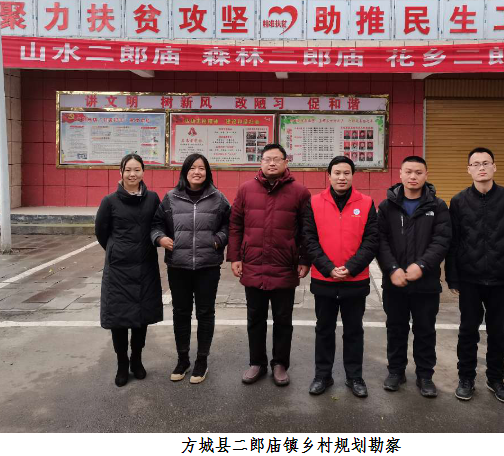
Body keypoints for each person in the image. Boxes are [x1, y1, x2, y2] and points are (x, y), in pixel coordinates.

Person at [446, 147, 504, 404]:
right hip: (469, 279)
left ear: (494, 167)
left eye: (486, 163)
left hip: (499, 278)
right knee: (467, 331)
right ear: (468, 169)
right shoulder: (458, 201)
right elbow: (453, 243)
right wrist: (452, 277)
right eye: (476, 164)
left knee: (498, 332)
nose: (481, 167)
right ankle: (466, 378)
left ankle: (496, 379)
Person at [227, 143, 311, 386]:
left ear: (286, 162)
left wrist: (305, 259)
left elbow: (307, 230)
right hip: (253, 264)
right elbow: (235, 225)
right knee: (255, 318)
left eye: (277, 159)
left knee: (283, 319)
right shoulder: (246, 189)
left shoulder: (300, 192)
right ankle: (257, 363)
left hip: (285, 265)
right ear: (260, 162)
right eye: (267, 159)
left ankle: (280, 364)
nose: (272, 163)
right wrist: (235, 257)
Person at [151, 154, 230, 384]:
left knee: (205, 313)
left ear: (207, 172)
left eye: (201, 168)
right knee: (181, 312)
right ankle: (183, 359)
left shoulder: (217, 198)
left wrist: (219, 239)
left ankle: (202, 361)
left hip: (208, 265)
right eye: (192, 168)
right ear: (185, 172)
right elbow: (156, 224)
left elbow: (230, 223)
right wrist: (160, 238)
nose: (197, 172)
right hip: (179, 265)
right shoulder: (171, 198)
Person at [303, 156, 379, 398]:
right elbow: (309, 239)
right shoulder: (314, 202)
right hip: (324, 279)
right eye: (337, 173)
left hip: (355, 280)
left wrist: (352, 267)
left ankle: (354, 376)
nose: (342, 177)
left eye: (346, 173)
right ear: (329, 175)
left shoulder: (366, 203)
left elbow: (372, 240)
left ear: (353, 175)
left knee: (354, 330)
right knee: (324, 329)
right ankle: (322, 375)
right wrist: (327, 267)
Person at [376, 156, 451, 398]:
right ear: (400, 174)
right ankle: (395, 371)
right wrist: (392, 268)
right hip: (395, 282)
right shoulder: (387, 206)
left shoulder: (437, 206)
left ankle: (425, 375)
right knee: (395, 328)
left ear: (426, 175)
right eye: (408, 171)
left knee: (425, 330)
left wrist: (422, 265)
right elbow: (380, 241)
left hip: (426, 283)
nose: (413, 176)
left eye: (418, 172)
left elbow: (442, 241)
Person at [95, 153, 163, 387]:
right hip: (119, 270)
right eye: (128, 170)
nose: (132, 174)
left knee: (141, 318)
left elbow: (158, 225)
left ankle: (137, 359)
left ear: (143, 172)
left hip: (145, 265)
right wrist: (118, 251)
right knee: (119, 319)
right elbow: (101, 233)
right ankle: (122, 363)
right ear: (121, 172)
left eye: (137, 170)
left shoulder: (153, 199)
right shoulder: (109, 201)